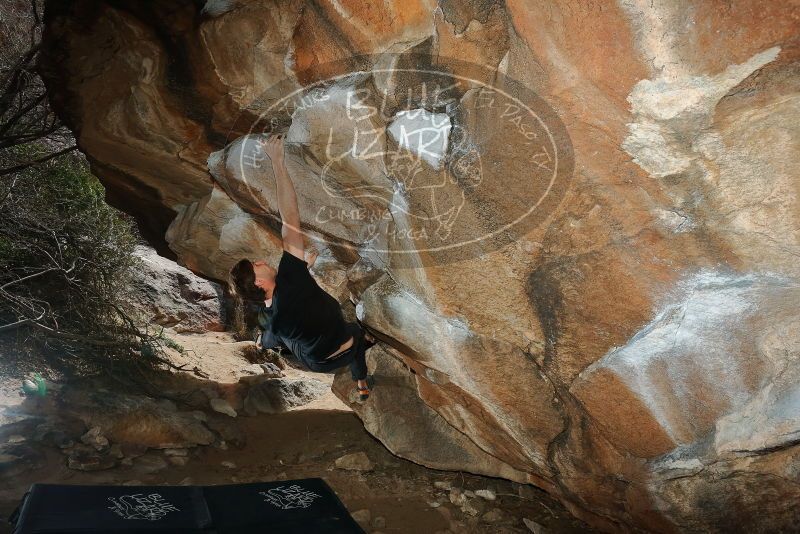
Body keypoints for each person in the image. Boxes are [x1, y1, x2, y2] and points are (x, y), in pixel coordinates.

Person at [230, 133, 376, 400]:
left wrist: (301, 269)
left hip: (317, 362)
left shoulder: (283, 299)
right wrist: (277, 162)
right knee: (358, 336)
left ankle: (361, 386)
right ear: (259, 283)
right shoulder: (289, 276)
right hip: (345, 342)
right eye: (255, 265)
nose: (261, 261)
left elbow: (288, 302)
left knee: (278, 331)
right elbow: (290, 219)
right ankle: (361, 379)